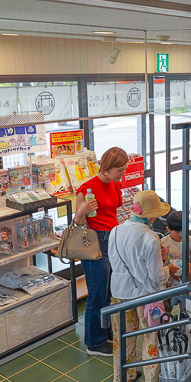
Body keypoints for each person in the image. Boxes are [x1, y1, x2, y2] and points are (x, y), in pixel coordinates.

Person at [108, 190, 177, 382]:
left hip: (119, 292)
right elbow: (156, 275)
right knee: (150, 338)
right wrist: (169, 270)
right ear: (151, 214)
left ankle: (122, 376)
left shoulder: (115, 231)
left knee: (122, 337)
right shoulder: (150, 237)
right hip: (144, 296)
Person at [74, 147, 129, 356]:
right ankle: (94, 344)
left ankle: (104, 332)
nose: (122, 174)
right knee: (97, 293)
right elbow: (78, 223)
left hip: (113, 239)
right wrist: (82, 211)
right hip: (94, 242)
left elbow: (112, 211)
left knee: (108, 291)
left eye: (124, 169)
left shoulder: (115, 184)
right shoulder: (87, 188)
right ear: (106, 167)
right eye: (120, 170)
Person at [159, 210, 191, 281]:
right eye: (177, 232)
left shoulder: (190, 241)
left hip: (187, 276)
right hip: (171, 277)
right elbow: (161, 263)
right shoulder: (164, 243)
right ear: (168, 229)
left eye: (184, 230)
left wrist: (188, 267)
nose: (181, 234)